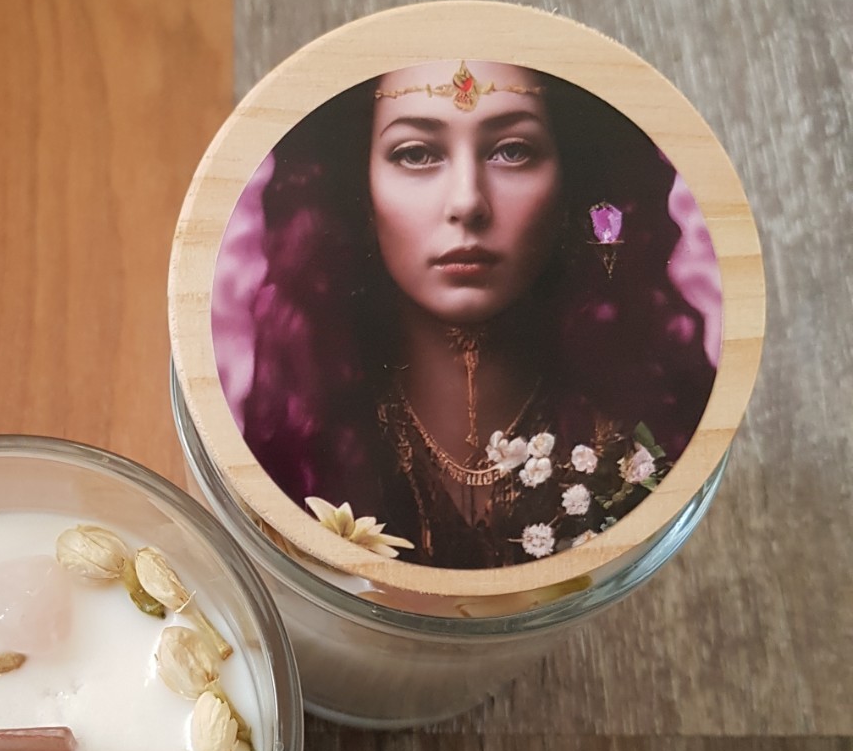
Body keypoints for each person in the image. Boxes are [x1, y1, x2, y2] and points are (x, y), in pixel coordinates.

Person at [231, 60, 718, 568]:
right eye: (415, 154)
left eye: (513, 151)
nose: (467, 203)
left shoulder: (637, 445)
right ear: (361, 192)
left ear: (569, 184)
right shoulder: (300, 445)